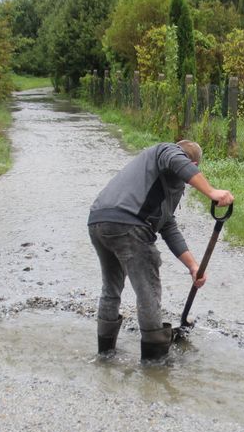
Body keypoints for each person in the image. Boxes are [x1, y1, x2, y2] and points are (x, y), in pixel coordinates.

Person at [88, 140, 234, 361]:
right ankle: (154, 364)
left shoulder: (162, 184)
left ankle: (105, 355)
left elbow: (168, 226)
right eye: (188, 167)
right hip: (128, 224)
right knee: (148, 292)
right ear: (191, 164)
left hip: (99, 222)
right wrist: (211, 191)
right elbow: (176, 159)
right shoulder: (166, 151)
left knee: (111, 287)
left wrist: (193, 266)